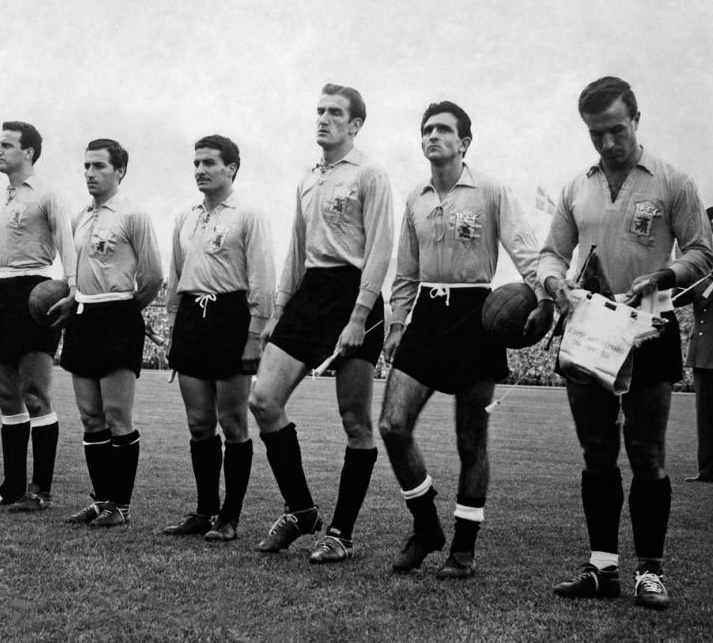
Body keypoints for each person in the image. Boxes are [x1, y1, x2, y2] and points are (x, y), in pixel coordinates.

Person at [540, 76, 713, 610]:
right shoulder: (576, 187)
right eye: (596, 134)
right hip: (588, 328)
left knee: (646, 452)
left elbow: (703, 253)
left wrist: (664, 275)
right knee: (596, 451)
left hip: (648, 328)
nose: (608, 143)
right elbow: (550, 253)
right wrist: (553, 282)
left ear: (636, 118)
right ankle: (601, 567)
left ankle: (651, 572)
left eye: (616, 129)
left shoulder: (671, 182)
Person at [378, 101, 554, 578]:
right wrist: (396, 324)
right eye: (426, 129)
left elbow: (526, 250)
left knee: (470, 441)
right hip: (427, 317)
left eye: (443, 130)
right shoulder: (414, 196)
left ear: (464, 142)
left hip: (478, 315)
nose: (432, 136)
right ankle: (426, 527)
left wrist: (545, 297)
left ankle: (464, 548)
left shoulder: (491, 190)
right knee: (393, 425)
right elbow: (405, 271)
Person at [247, 84, 393, 560]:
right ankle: (302, 510)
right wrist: (279, 310)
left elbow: (379, 250)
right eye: (320, 111)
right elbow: (296, 248)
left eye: (335, 113)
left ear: (355, 125)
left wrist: (358, 315)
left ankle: (340, 534)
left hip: (354, 297)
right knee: (263, 400)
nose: (323, 119)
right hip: (310, 295)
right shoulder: (307, 178)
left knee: (354, 420)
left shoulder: (370, 173)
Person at [160, 134, 273, 542]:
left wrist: (255, 334)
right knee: (199, 422)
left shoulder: (249, 214)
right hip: (192, 318)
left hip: (230, 317)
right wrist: (174, 327)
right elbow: (175, 277)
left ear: (232, 168)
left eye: (209, 163)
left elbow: (263, 277)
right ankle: (204, 511)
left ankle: (230, 516)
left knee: (233, 422)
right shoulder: (185, 217)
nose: (201, 170)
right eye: (196, 163)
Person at [0, 122, 75, 511]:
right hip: (2, 290)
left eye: (6, 145)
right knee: (6, 395)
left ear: (28, 151)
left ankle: (40, 491)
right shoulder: (5, 196)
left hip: (38, 291)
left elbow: (67, 245)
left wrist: (73, 292)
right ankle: (11, 486)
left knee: (35, 394)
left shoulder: (47, 193)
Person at [60, 138, 163, 527]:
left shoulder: (133, 214)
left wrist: (125, 311)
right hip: (83, 316)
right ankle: (101, 499)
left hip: (118, 315)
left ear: (119, 171)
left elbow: (153, 275)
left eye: (99, 166)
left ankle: (120, 506)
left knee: (118, 415)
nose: (90, 173)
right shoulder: (79, 217)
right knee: (90, 416)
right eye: (86, 166)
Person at [679, 206, 713, 483]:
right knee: (705, 416)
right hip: (703, 353)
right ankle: (706, 470)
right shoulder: (702, 275)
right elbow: (677, 299)